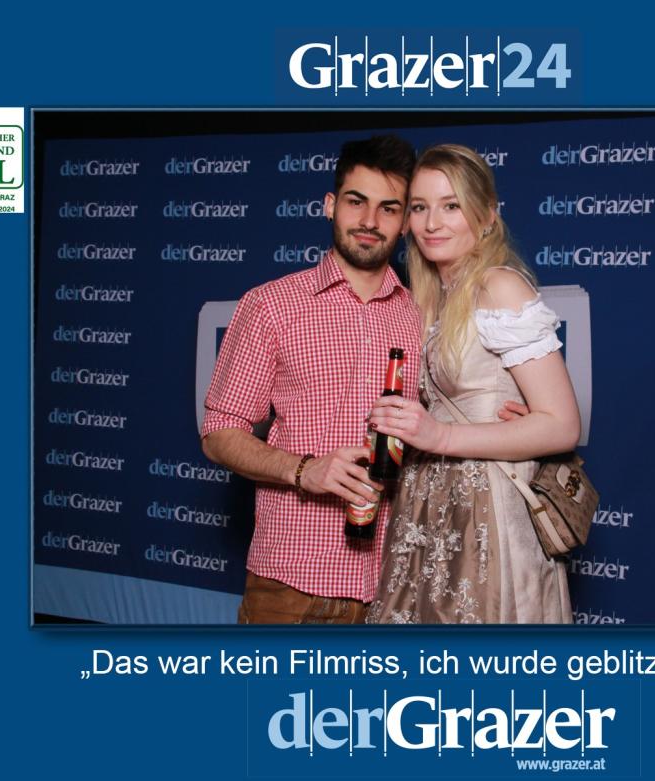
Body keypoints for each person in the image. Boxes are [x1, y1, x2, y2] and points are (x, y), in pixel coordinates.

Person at [201, 134, 422, 624]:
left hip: (396, 588)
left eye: (388, 208)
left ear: (406, 221)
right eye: (356, 202)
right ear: (329, 205)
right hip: (292, 586)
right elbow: (219, 434)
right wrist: (303, 470)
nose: (370, 221)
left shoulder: (422, 315)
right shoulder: (271, 305)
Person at [365, 144, 582, 624]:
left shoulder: (499, 287)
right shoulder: (430, 296)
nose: (432, 223)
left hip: (490, 510)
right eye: (419, 207)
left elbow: (563, 426)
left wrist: (440, 435)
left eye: (451, 206)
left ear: (486, 215)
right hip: (428, 501)